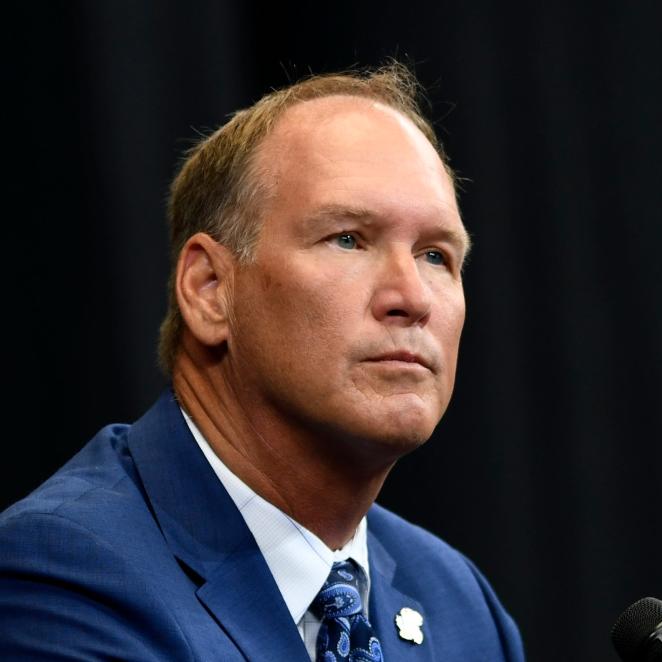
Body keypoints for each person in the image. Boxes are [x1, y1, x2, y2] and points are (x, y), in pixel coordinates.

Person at [0, 64, 524, 661]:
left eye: (436, 255)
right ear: (209, 289)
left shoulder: (460, 606)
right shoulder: (63, 577)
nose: (412, 297)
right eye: (349, 238)